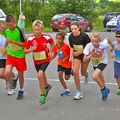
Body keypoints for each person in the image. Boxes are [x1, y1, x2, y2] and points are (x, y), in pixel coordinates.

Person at [24, 20, 54, 104]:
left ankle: (42, 95)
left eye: (38, 29)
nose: (36, 31)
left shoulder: (47, 37)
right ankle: (47, 86)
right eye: (35, 29)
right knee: (42, 74)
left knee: (40, 74)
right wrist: (31, 49)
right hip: (36, 60)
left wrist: (51, 51)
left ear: (42, 29)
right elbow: (25, 50)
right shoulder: (30, 38)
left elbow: (52, 43)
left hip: (46, 58)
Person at [4, 14, 26, 100]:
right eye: (7, 25)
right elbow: (7, 40)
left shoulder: (19, 30)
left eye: (10, 25)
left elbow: (25, 44)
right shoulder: (6, 31)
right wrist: (5, 47)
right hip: (10, 54)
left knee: (21, 75)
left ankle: (21, 90)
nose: (8, 27)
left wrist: (13, 41)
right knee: (7, 72)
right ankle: (12, 86)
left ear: (14, 23)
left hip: (20, 55)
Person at [83, 32, 110, 101]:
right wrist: (91, 55)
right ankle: (106, 89)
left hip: (103, 61)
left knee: (94, 76)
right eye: (93, 41)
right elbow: (84, 59)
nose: (94, 43)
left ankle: (103, 91)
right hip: (95, 63)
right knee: (100, 77)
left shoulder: (103, 45)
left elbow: (107, 39)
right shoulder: (88, 46)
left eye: (96, 41)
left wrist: (113, 46)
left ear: (99, 41)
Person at [68, 22, 91, 100]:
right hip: (77, 55)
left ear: (79, 28)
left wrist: (79, 52)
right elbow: (71, 48)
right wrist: (71, 57)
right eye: (72, 29)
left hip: (85, 55)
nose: (73, 31)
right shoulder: (70, 37)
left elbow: (89, 48)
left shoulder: (84, 36)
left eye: (75, 29)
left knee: (82, 73)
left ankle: (86, 74)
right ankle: (78, 92)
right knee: (75, 72)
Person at [51, 31, 72, 96]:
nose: (58, 40)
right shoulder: (55, 46)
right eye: (57, 39)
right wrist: (50, 58)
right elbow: (54, 54)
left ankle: (71, 71)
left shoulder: (66, 46)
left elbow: (70, 54)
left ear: (63, 39)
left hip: (67, 64)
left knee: (66, 78)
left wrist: (65, 59)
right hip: (60, 63)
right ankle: (66, 90)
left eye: (60, 39)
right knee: (60, 75)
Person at [0, 20, 18, 90]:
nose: (2, 28)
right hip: (1, 57)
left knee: (8, 72)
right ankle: (10, 79)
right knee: (1, 74)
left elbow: (13, 45)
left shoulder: (8, 34)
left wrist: (7, 50)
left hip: (9, 56)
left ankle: (11, 86)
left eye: (4, 26)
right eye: (1, 26)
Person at [109, 30, 120, 95]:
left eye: (119, 37)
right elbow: (110, 50)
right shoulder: (114, 43)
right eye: (116, 36)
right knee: (117, 75)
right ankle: (119, 87)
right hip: (116, 61)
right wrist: (111, 54)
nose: (117, 38)